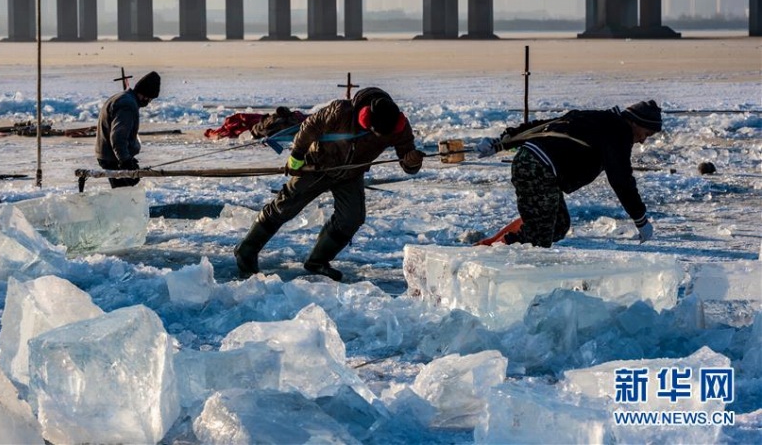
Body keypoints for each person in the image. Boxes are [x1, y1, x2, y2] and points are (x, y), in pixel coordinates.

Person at [234, 87, 425, 281]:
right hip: (318, 164)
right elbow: (309, 126)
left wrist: (413, 160)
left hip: (351, 174)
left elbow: (408, 164)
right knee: (285, 207)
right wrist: (297, 157)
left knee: (352, 218)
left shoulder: (399, 127)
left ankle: (317, 261)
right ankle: (246, 251)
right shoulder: (340, 112)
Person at [472, 100, 662, 247]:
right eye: (646, 133)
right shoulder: (617, 132)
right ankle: (492, 252)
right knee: (540, 234)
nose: (643, 141)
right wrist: (640, 219)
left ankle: (493, 243)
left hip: (537, 166)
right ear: (636, 121)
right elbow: (621, 179)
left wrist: (501, 144)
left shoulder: (599, 120)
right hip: (537, 167)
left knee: (557, 224)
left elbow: (545, 126)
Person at [95, 71, 161, 188]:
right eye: (150, 98)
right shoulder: (128, 105)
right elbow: (118, 137)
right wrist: (125, 161)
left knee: (126, 187)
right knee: (124, 191)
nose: (149, 102)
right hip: (112, 158)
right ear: (144, 95)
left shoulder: (123, 97)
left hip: (110, 155)